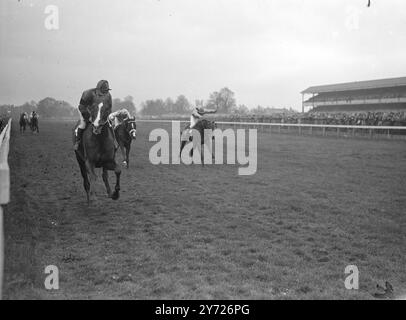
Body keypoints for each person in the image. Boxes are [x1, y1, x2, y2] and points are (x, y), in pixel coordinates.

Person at [73, 80, 112, 150]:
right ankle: (78, 142)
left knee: (110, 124)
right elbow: (81, 107)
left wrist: (104, 118)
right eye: (103, 91)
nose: (104, 93)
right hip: (85, 110)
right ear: (97, 89)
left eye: (106, 91)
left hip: (99, 112)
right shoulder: (87, 93)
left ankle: (113, 143)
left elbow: (109, 108)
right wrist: (88, 117)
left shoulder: (108, 95)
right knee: (83, 124)